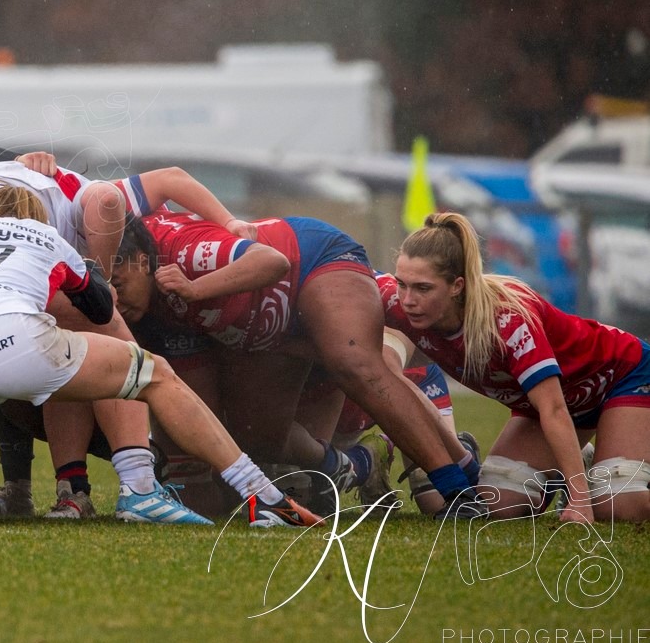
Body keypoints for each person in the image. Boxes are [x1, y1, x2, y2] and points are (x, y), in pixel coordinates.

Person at [0, 186, 322, 528]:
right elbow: (100, 307)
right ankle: (261, 496)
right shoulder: (51, 239)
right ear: (38, 217)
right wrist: (83, 278)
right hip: (19, 339)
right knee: (154, 375)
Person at [108, 209, 481, 517]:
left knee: (355, 363)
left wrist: (194, 289)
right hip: (273, 339)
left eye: (119, 284)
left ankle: (456, 480)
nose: (114, 299)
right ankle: (354, 463)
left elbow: (271, 260)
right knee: (258, 441)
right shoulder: (144, 306)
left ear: (142, 261)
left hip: (310, 262)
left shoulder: (183, 252)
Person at [386, 211, 650, 523]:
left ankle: (590, 478)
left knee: (618, 506)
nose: (407, 299)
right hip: (556, 404)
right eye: (401, 284)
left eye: (423, 288)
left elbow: (552, 409)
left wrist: (580, 502)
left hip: (621, 377)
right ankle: (578, 458)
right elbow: (348, 284)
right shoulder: (398, 302)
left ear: (457, 286)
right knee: (499, 504)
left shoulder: (507, 318)